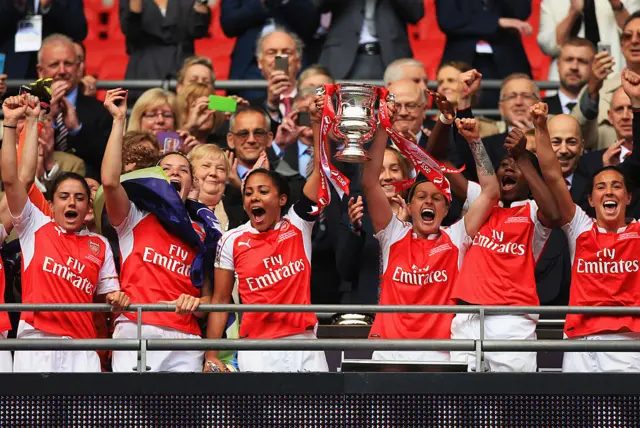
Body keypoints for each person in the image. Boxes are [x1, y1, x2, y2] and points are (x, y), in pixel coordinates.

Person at [2, 93, 128, 372]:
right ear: (51, 203)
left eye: (79, 198)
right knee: (29, 418)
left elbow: (111, 295)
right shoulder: (35, 225)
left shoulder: (100, 245)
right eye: (64, 196)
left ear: (87, 208)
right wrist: (20, 123)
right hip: (36, 341)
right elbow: (13, 179)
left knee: (82, 419)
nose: (71, 202)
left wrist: (116, 298)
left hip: (82, 347)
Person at [363, 114, 499, 363]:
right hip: (390, 350)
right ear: (410, 205)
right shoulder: (393, 233)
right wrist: (383, 128)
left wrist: (476, 141)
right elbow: (370, 182)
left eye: (437, 198)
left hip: (441, 352)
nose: (428, 201)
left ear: (446, 210)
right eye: (421, 197)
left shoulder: (457, 237)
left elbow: (491, 192)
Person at [207, 94, 327, 373]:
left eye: (263, 192)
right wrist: (210, 354)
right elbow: (221, 301)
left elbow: (320, 174)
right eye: (248, 193)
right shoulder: (231, 239)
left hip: (304, 342)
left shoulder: (298, 225)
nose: (254, 198)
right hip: (257, 348)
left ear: (282, 199)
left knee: (320, 418)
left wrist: (319, 124)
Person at [101, 88, 213, 372]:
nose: (175, 174)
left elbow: (212, 300)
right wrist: (118, 121)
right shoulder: (133, 216)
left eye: (183, 170)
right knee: (130, 418)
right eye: (167, 170)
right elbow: (111, 182)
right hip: (136, 327)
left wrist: (197, 302)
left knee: (182, 419)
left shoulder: (206, 231)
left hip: (186, 337)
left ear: (193, 185)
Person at [534, 71, 640, 371]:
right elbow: (553, 174)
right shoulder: (580, 226)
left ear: (628, 198)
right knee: (578, 418)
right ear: (590, 200)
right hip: (579, 340)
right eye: (601, 187)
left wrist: (637, 104)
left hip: (628, 341)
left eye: (617, 186)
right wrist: (540, 129)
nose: (609, 191)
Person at [443, 116, 560, 372]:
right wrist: (472, 140)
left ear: (530, 182)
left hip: (511, 319)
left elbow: (553, 214)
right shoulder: (484, 203)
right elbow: (441, 163)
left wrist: (523, 158)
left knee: (512, 403)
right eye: (504, 165)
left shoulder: (531, 210)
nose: (509, 168)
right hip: (468, 315)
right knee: (458, 402)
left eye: (515, 166)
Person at [337, 147, 413, 306]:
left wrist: (401, 227)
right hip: (366, 314)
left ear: (405, 176)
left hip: (407, 311)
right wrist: (355, 229)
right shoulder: (356, 219)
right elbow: (346, 272)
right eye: (380, 171)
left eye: (394, 169)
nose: (388, 177)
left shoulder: (419, 219)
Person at [37, 34, 112, 177]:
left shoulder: (101, 111)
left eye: (68, 64)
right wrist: (47, 117)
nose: (62, 71)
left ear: (78, 68)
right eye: (54, 65)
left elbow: (107, 162)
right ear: (40, 71)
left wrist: (77, 129)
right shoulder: (25, 107)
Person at [436, 0, 533, 110]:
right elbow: (447, 19)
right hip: (461, 59)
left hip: (507, 60)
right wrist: (496, 22)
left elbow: (521, 12)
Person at [316, 0, 424, 79]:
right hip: (341, 58)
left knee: (395, 108)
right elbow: (319, 5)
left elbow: (416, 12)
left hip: (392, 58)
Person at [538, 0, 640, 82]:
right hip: (569, 81)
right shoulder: (551, 2)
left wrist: (617, 5)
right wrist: (573, 12)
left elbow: (634, 37)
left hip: (614, 77)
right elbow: (548, 47)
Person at [119, 0, 211, 81]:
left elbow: (198, 30)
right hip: (144, 68)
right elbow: (130, 29)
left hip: (181, 68)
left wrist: (201, 1)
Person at [0, 0, 87, 79]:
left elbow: (79, 31)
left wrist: (47, 7)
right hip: (10, 73)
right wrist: (15, 5)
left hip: (55, 72)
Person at [542, 38, 595, 114]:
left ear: (593, 67)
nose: (574, 67)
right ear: (558, 65)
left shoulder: (605, 108)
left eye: (582, 61)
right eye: (569, 60)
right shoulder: (539, 110)